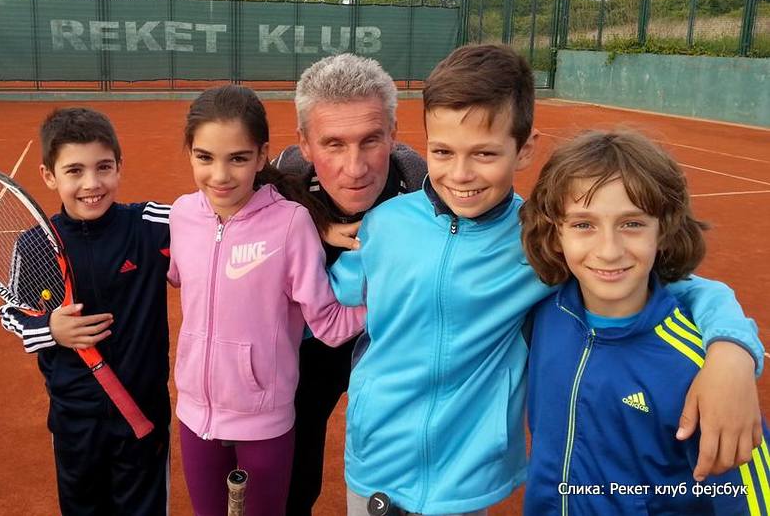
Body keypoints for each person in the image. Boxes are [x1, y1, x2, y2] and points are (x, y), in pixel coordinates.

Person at [328, 44, 765, 516]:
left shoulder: (540, 238)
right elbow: (324, 295)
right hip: (374, 454)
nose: (461, 173)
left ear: (526, 149)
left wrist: (732, 351)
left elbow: (680, 285)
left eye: (484, 153)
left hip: (468, 473)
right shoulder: (385, 223)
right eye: (442, 151)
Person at [520, 129, 770, 514]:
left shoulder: (696, 366)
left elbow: (753, 498)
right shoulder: (543, 316)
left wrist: (732, 352)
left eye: (632, 224)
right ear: (556, 234)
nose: (608, 250)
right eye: (584, 224)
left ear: (663, 231)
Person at [168, 84, 366, 516]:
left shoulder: (292, 224)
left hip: (265, 421)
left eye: (238, 158)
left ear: (261, 156)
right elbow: (180, 277)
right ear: (190, 152)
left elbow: (329, 323)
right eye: (205, 157)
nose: (220, 175)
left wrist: (387, 301)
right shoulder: (181, 215)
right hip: (193, 416)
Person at [0, 107, 172, 515]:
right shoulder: (34, 244)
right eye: (74, 171)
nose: (92, 184)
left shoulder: (149, 225)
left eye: (104, 167)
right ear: (48, 176)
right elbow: (10, 313)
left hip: (142, 413)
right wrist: (50, 329)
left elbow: (217, 218)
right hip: (75, 420)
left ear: (119, 167)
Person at [273, 53, 426, 516]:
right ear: (304, 142)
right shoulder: (281, 182)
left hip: (388, 342)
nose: (355, 167)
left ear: (393, 133)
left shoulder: (420, 180)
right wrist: (313, 228)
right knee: (293, 476)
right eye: (333, 144)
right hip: (309, 345)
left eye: (370, 140)